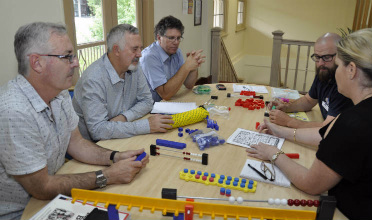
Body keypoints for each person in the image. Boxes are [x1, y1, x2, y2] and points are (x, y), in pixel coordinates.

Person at [0, 22, 149, 220]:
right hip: (22, 213)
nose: (76, 63)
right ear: (36, 63)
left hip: (54, 199)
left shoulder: (59, 94)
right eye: (66, 57)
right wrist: (108, 176)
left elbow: (76, 143)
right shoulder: (14, 111)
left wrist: (115, 157)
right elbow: (42, 187)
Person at [247, 28, 372, 219]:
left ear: (352, 70)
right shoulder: (357, 114)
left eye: (337, 65)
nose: (333, 69)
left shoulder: (353, 122)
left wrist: (274, 154)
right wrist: (280, 131)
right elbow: (326, 133)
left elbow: (310, 183)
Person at [72, 24, 174, 141]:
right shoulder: (93, 79)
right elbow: (98, 131)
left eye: (141, 48)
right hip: (94, 145)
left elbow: (147, 101)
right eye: (135, 49)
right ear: (116, 50)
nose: (140, 54)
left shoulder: (134, 66)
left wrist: (124, 118)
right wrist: (146, 126)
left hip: (121, 135)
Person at [267, 33, 353, 146]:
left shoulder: (344, 86)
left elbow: (328, 128)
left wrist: (289, 121)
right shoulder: (324, 72)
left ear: (340, 56)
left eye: (327, 57)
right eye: (317, 57)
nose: (321, 63)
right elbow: (308, 100)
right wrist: (286, 107)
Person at [140, 15, 205, 102]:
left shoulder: (176, 52)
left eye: (178, 38)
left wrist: (193, 67)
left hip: (169, 101)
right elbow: (165, 94)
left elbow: (189, 85)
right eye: (171, 38)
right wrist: (186, 67)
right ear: (159, 38)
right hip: (150, 109)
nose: (176, 42)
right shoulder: (149, 57)